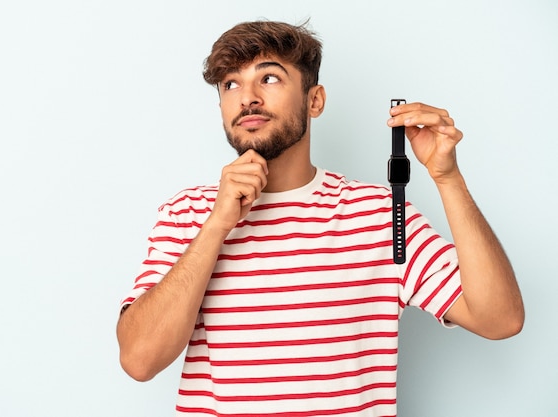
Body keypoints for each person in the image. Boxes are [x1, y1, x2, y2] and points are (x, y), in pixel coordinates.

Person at [117, 20, 524, 416]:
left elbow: (500, 319)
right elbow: (139, 359)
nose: (247, 97)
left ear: (315, 100)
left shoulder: (380, 213)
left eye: (269, 78)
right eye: (231, 84)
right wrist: (216, 226)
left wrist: (447, 178)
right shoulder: (186, 214)